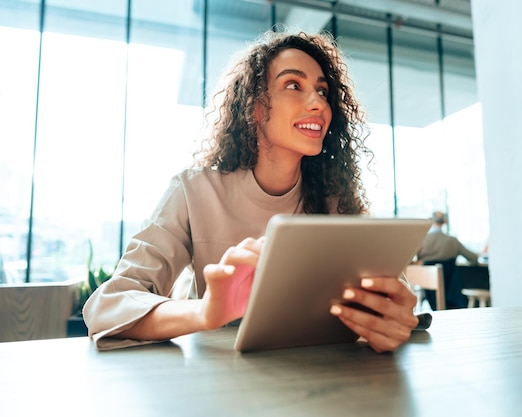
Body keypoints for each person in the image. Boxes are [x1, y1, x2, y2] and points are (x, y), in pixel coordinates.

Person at [83, 29, 421, 353]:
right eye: (293, 85)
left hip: (318, 381)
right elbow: (109, 304)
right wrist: (206, 313)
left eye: (322, 91)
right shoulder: (193, 191)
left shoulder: (336, 204)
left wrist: (392, 317)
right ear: (255, 107)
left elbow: (395, 299)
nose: (318, 103)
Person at [415, 211, 479, 309]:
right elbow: (473, 259)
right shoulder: (452, 241)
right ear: (445, 222)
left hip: (428, 288)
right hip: (451, 291)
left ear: (430, 221)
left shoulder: (422, 240)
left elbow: (411, 261)